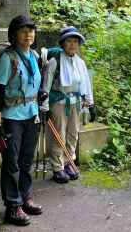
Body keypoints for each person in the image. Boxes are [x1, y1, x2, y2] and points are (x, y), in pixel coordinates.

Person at [0, 15, 43, 226]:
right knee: (11, 163)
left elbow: (35, 85)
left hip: (32, 114)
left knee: (26, 160)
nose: (28, 34)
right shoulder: (7, 58)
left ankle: (25, 198)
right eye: (23, 30)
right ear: (14, 34)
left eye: (31, 30)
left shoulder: (35, 56)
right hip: (11, 118)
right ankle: (13, 206)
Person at [40, 26, 96, 183]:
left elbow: (86, 84)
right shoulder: (54, 62)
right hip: (58, 102)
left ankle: (68, 162)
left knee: (73, 133)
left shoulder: (80, 62)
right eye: (69, 41)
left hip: (76, 103)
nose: (72, 44)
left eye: (75, 41)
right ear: (63, 44)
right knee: (59, 134)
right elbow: (46, 85)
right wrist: (44, 107)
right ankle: (57, 167)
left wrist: (91, 105)